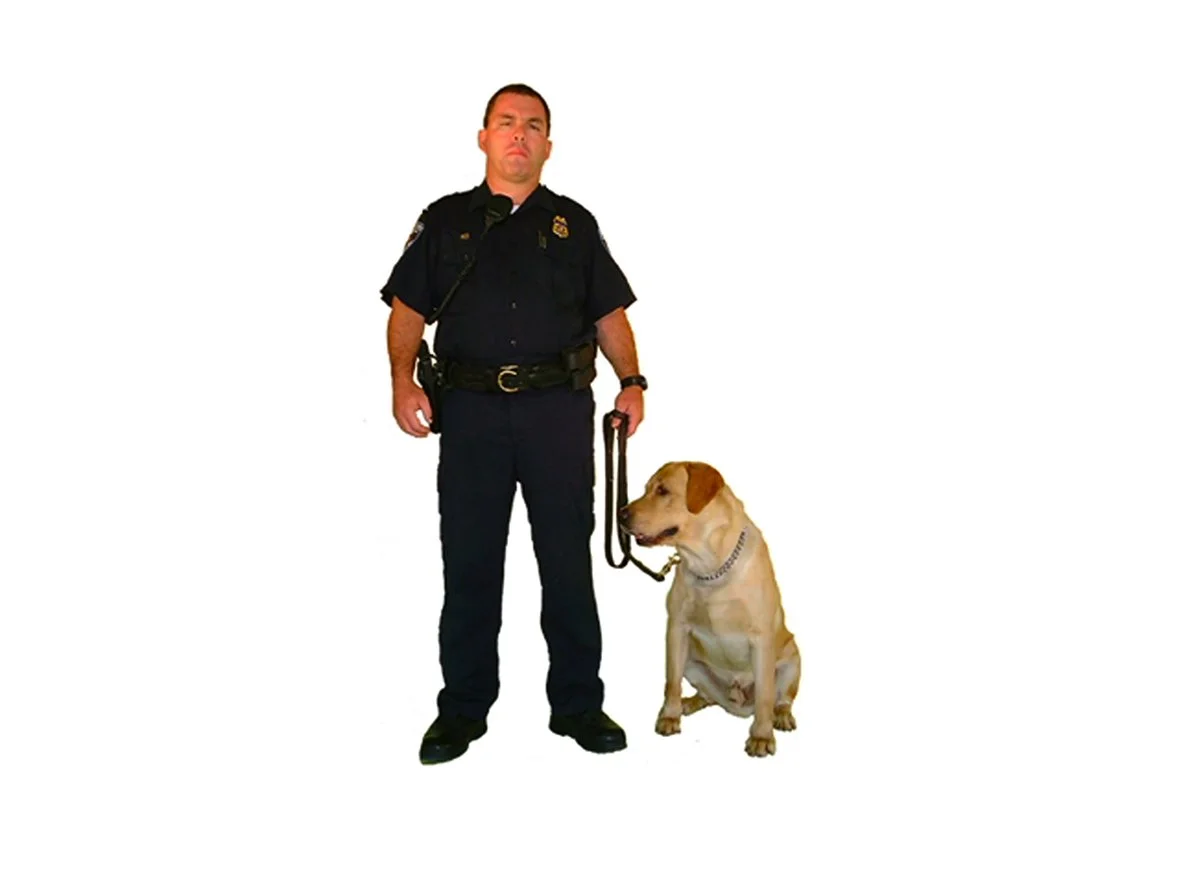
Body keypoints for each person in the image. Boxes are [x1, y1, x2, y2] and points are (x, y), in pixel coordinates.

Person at [379, 84, 649, 765]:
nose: (519, 134)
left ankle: (578, 704)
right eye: (506, 123)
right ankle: (462, 709)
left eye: (532, 125)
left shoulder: (574, 225)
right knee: (469, 563)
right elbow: (407, 308)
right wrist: (402, 380)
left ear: (548, 145)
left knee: (566, 563)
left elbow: (609, 314)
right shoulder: (445, 220)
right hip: (470, 415)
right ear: (483, 138)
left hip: (556, 412)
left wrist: (632, 381)